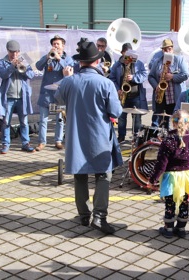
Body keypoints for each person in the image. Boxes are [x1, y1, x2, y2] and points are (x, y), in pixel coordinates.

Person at [55, 42, 123, 234]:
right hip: (99, 137)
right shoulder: (106, 83)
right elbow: (116, 111)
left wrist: (65, 78)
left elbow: (58, 100)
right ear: (98, 61)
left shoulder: (69, 81)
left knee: (80, 175)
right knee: (103, 176)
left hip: (76, 137)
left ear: (80, 62)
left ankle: (84, 215)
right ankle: (99, 217)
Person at [147, 110, 189, 238]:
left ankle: (168, 228)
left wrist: (153, 179)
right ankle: (181, 228)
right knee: (184, 202)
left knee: (170, 203)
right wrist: (186, 166)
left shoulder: (168, 141)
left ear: (173, 122)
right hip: (186, 177)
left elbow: (161, 164)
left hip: (171, 177)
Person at [35, 35, 74, 151]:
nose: (55, 46)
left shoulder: (68, 59)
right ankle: (42, 142)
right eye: (54, 44)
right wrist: (47, 57)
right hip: (46, 94)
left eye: (58, 44)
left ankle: (58, 140)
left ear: (63, 46)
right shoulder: (48, 57)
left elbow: (69, 70)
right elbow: (38, 66)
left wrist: (58, 59)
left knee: (60, 120)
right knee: (43, 120)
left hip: (59, 95)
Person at [0, 40, 35, 154]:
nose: (14, 55)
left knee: (24, 121)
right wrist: (12, 66)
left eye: (17, 52)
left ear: (19, 51)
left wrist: (22, 68)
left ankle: (25, 143)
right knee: (6, 122)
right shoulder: (2, 62)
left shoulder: (25, 59)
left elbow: (31, 75)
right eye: (12, 52)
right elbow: (3, 75)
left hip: (22, 97)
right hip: (8, 97)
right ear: (7, 51)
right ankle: (5, 144)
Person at [110, 43, 148, 143]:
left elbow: (144, 75)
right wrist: (117, 89)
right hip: (122, 94)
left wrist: (134, 78)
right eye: (126, 54)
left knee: (137, 119)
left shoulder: (138, 63)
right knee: (121, 117)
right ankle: (121, 136)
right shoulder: (117, 65)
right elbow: (112, 78)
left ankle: (136, 137)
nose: (128, 57)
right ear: (122, 53)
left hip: (135, 95)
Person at [149, 38, 189, 129]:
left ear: (172, 49)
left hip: (175, 97)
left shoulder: (179, 60)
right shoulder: (157, 62)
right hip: (161, 97)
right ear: (162, 50)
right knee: (161, 121)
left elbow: (186, 75)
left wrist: (173, 77)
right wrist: (156, 86)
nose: (167, 51)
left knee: (176, 121)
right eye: (165, 49)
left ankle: (176, 139)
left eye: (169, 48)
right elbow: (150, 76)